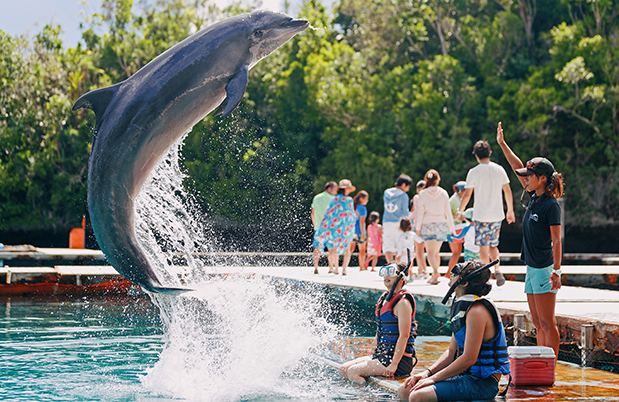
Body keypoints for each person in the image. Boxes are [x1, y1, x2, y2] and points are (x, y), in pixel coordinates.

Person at [397, 259, 510, 402]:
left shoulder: (477, 310)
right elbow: (451, 352)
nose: (451, 274)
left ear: (464, 282)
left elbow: (469, 358)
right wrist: (426, 373)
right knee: (405, 390)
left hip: (482, 383)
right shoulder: (462, 308)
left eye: (456, 271)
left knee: (418, 396)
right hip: (465, 377)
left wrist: (433, 379)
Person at [496, 122, 563, 359]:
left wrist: (557, 271)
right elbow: (517, 166)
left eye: (529, 176)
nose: (525, 179)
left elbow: (557, 240)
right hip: (532, 268)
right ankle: (542, 363)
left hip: (545, 269)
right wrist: (503, 145)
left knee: (547, 322)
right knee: (537, 321)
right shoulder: (534, 196)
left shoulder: (550, 205)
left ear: (542, 178)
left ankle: (550, 366)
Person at [339, 262, 417, 383]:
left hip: (398, 361)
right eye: (384, 272)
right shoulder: (384, 299)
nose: (386, 276)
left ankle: (364, 398)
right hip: (382, 356)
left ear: (401, 278)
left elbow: (404, 336)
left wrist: (394, 364)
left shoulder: (403, 302)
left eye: (391, 272)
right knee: (343, 369)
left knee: (353, 371)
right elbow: (381, 327)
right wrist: (374, 347)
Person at [456, 140, 515, 287]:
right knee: (493, 245)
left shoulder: (474, 172)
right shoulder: (499, 169)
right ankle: (497, 269)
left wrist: (461, 210)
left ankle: (486, 277)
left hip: (481, 215)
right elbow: (507, 190)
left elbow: (468, 194)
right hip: (497, 214)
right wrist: (510, 210)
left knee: (483, 247)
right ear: (490, 153)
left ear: (476, 155)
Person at [415, 170, 455, 285]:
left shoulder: (422, 193)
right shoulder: (443, 193)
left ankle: (436, 272)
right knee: (436, 253)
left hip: (428, 225)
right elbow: (448, 212)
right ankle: (434, 276)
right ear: (437, 180)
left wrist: (418, 228)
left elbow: (421, 212)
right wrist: (451, 228)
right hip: (441, 225)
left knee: (430, 253)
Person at [314, 179, 357, 275]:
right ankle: (344, 269)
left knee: (334, 248)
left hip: (335, 228)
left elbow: (328, 213)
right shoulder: (349, 200)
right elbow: (351, 215)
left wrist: (323, 225)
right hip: (346, 227)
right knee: (347, 249)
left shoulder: (334, 199)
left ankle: (336, 268)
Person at [383, 174, 413, 263]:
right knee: (399, 246)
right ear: (404, 184)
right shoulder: (403, 195)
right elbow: (405, 213)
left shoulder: (386, 192)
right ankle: (397, 267)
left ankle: (390, 265)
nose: (407, 189)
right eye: (408, 187)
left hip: (387, 222)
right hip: (398, 223)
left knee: (388, 246)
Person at [311, 181, 338, 274]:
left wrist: (315, 225)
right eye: (335, 189)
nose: (336, 191)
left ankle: (316, 267)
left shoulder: (317, 197)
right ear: (329, 188)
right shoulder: (333, 199)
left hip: (319, 227)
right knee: (331, 248)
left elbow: (312, 212)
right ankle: (331, 268)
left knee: (317, 248)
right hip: (330, 228)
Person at [446, 181, 467, 278]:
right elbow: (446, 212)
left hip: (456, 228)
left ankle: (449, 272)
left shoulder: (458, 199)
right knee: (456, 252)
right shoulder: (454, 199)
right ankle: (448, 273)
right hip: (452, 229)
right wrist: (458, 216)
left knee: (457, 252)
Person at [409, 180, 428, 278]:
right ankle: (421, 271)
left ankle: (424, 271)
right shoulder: (428, 197)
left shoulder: (417, 197)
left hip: (418, 226)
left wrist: (408, 219)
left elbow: (416, 211)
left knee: (419, 251)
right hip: (427, 226)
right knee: (422, 250)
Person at [349, 191, 369, 270]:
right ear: (361, 198)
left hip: (352, 231)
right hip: (360, 232)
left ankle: (345, 265)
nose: (367, 201)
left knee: (350, 250)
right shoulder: (363, 208)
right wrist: (363, 234)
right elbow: (362, 221)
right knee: (362, 251)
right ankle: (361, 266)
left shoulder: (353, 207)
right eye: (366, 199)